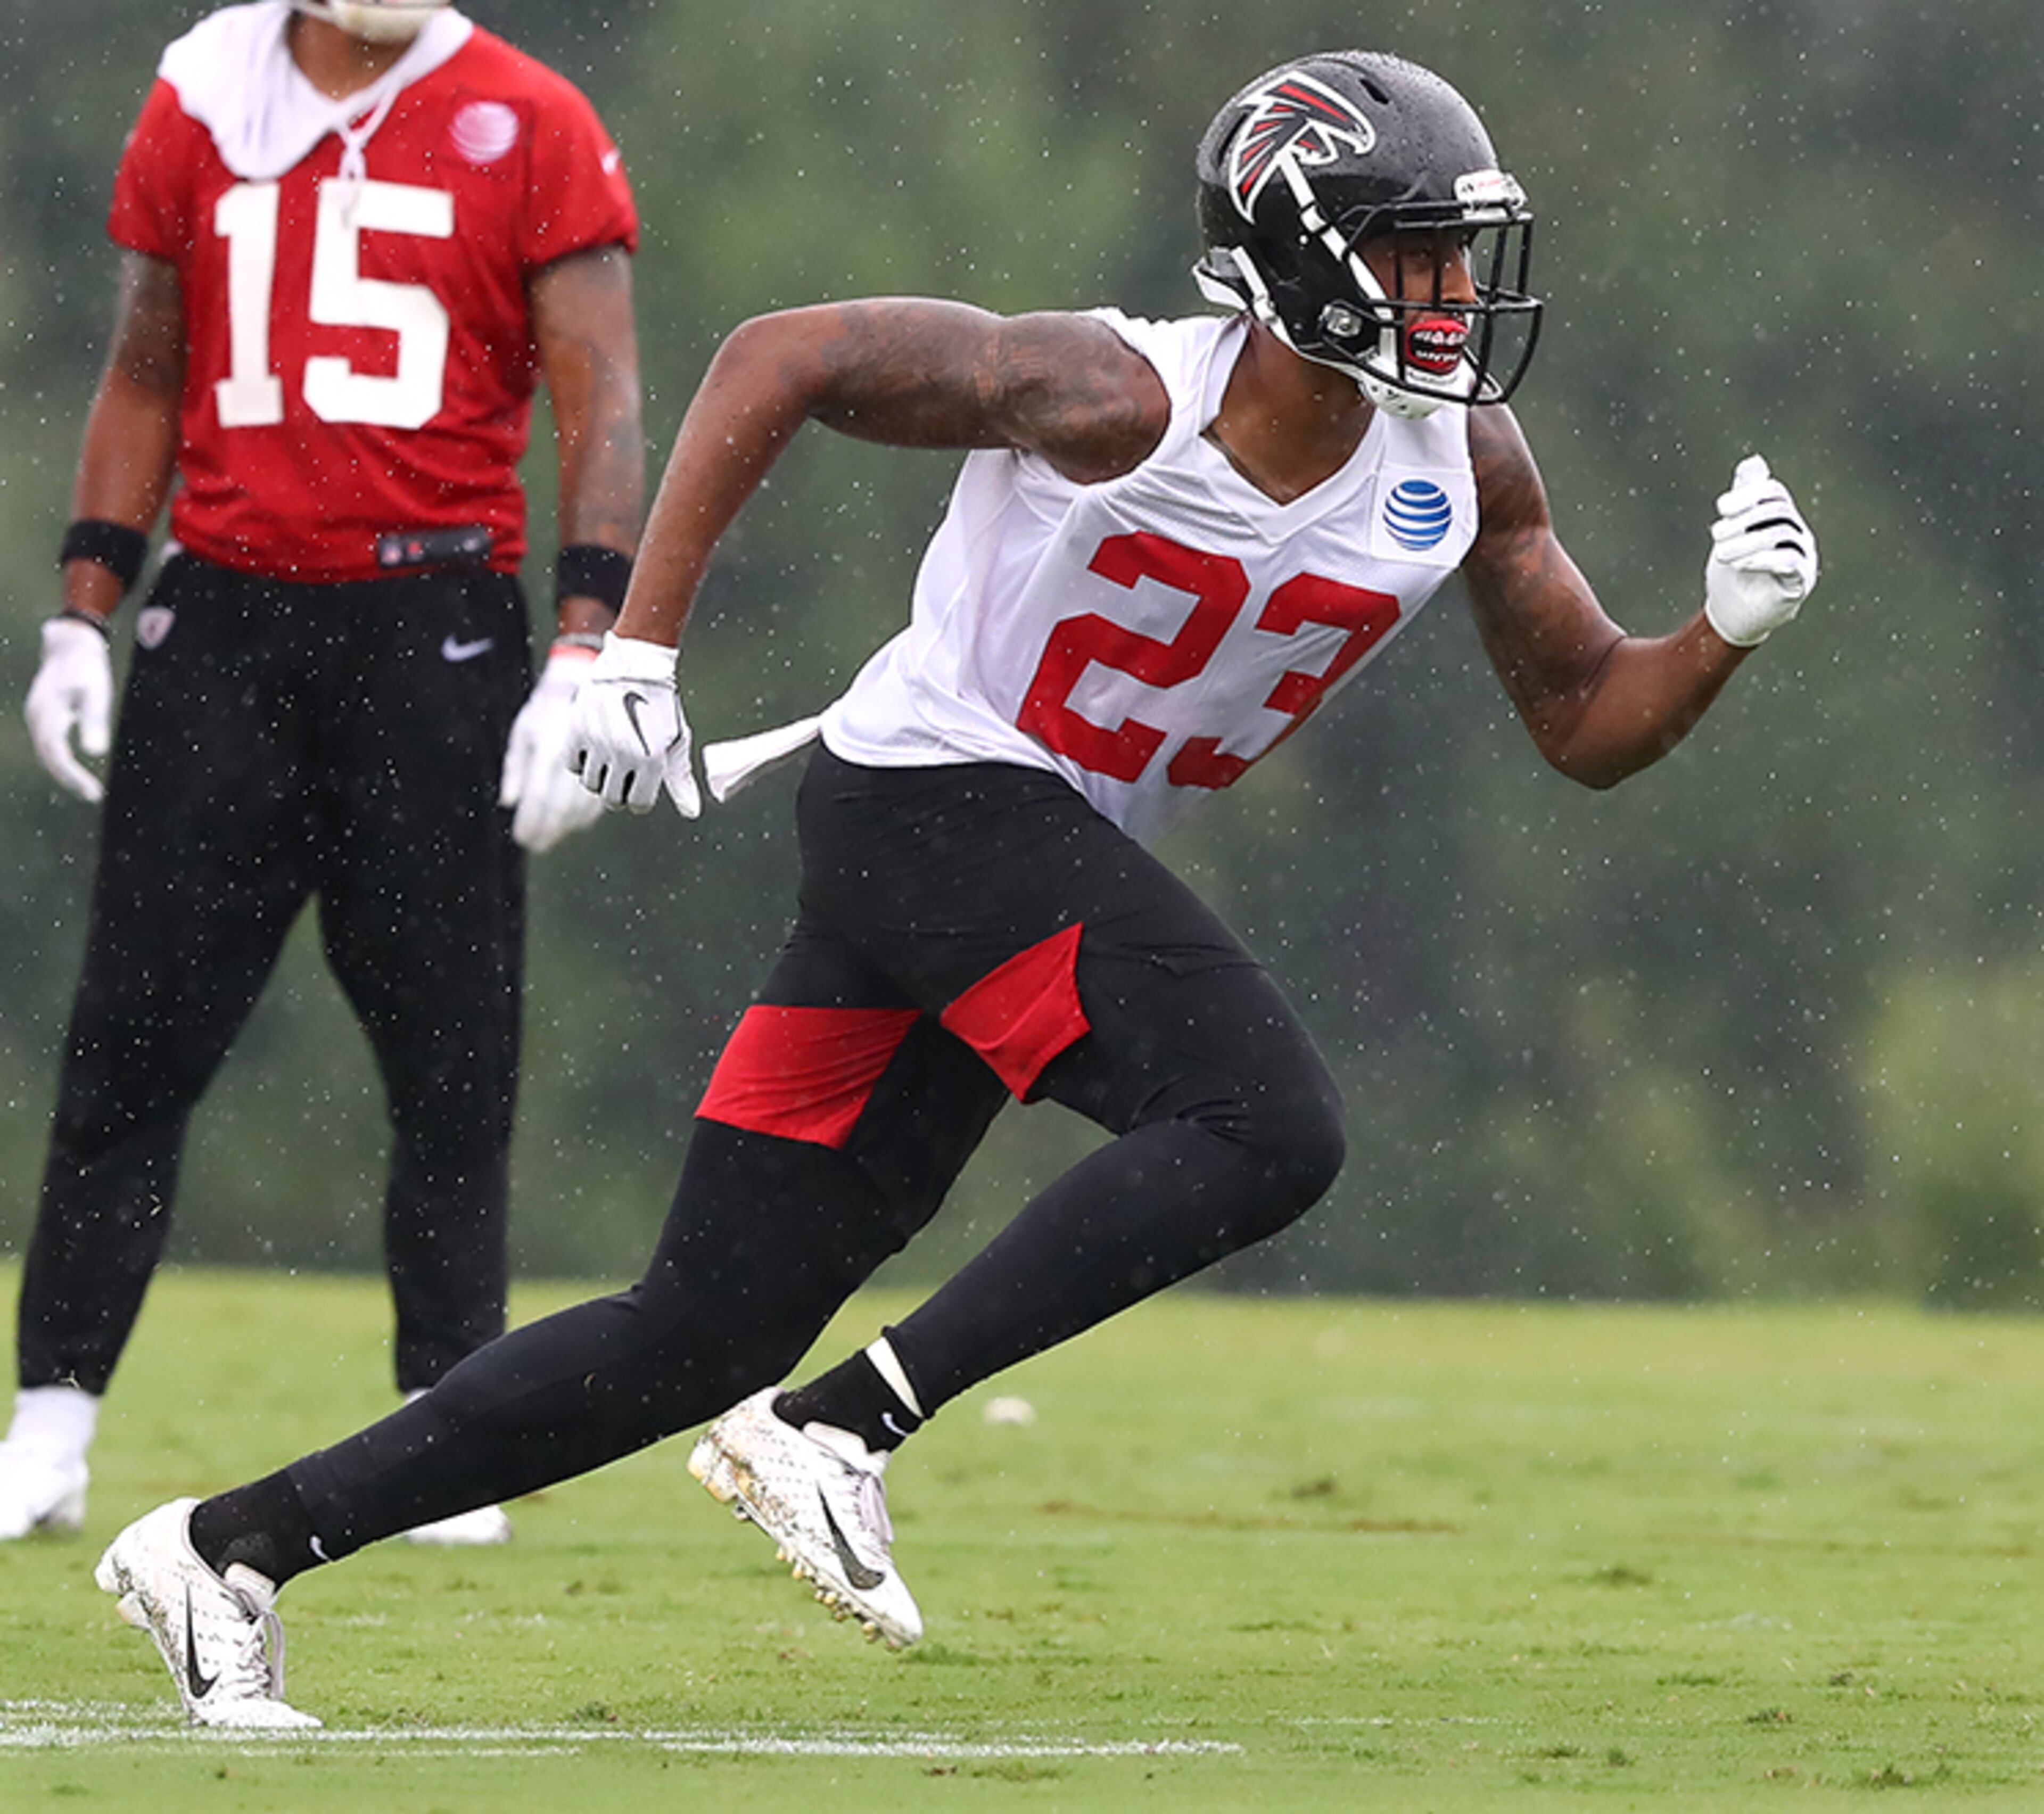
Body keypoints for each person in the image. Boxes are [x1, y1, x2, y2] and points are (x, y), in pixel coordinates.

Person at [92, 48, 1819, 1726]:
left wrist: (1721, 633)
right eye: (1416, 247)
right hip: (931, 809)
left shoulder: (1467, 461)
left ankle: (224, 1551)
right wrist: (636, 642)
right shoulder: (1117, 392)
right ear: (1297, 247)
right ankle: (843, 1425)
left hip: (985, 862)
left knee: (697, 1330)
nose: (1453, 289)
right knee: (1265, 1120)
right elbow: (779, 358)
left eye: (1462, 248)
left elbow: (1591, 719)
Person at [6, 0, 643, 1549]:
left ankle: (448, 1425)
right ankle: (51, 1424)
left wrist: (591, 643)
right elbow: (147, 370)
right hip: (223, 611)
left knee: (450, 1059)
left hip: (434, 618)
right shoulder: (207, 95)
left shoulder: (528, 118)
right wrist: (84, 610)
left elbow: (602, 397)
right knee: (129, 1048)